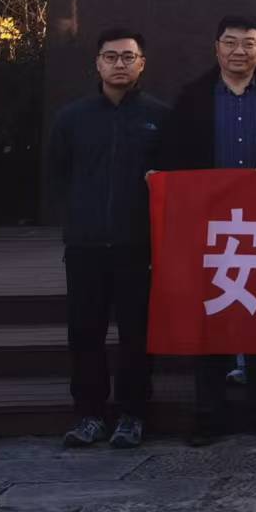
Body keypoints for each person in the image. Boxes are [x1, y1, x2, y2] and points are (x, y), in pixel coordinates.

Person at [153, 15, 256, 444]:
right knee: (210, 316)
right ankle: (208, 413)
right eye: (231, 43)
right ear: (216, 47)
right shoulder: (193, 96)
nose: (240, 52)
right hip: (208, 224)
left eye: (249, 44)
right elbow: (172, 156)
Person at [49, 28, 167, 451]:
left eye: (128, 57)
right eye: (111, 56)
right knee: (85, 332)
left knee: (137, 334)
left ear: (142, 64)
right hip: (86, 245)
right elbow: (58, 175)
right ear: (97, 63)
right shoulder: (72, 118)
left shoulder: (159, 117)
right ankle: (89, 414)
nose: (120, 64)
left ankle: (133, 414)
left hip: (138, 245)